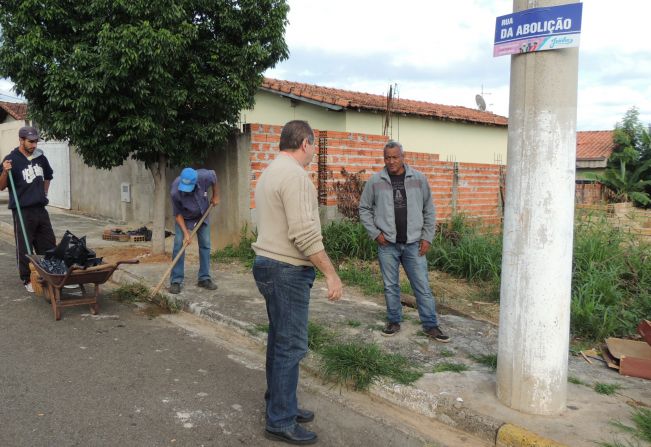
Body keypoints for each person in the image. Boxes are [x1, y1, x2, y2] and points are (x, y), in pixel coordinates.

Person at [252, 120, 343, 445]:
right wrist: (330, 273)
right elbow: (304, 233)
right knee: (290, 346)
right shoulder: (296, 177)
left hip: (267, 266)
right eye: (314, 145)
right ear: (305, 142)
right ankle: (280, 420)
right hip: (286, 270)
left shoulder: (270, 171)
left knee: (280, 341)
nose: (314, 151)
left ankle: (281, 403)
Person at [359, 140, 450, 342]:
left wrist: (427, 237)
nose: (391, 161)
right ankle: (393, 320)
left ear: (403, 157)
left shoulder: (418, 179)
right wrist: (375, 234)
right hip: (387, 244)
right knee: (390, 286)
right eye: (387, 158)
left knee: (422, 286)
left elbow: (429, 209)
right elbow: (364, 209)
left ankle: (431, 325)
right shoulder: (375, 181)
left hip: (414, 244)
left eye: (395, 157)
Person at [0, 126, 56, 292]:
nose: (34, 145)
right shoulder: (11, 159)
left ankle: (53, 275)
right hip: (22, 210)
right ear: (21, 140)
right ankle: (27, 278)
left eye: (36, 141)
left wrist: (44, 192)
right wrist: (5, 171)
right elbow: (1, 186)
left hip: (40, 209)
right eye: (30, 142)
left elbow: (48, 176)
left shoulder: (40, 158)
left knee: (49, 244)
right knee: (24, 246)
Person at [169, 167, 220, 294]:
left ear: (196, 182)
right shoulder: (175, 190)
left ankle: (204, 278)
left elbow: (214, 177)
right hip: (184, 218)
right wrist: (186, 233)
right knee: (178, 245)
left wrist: (215, 195)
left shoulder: (205, 176)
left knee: (205, 244)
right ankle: (176, 280)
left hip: (202, 214)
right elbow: (177, 214)